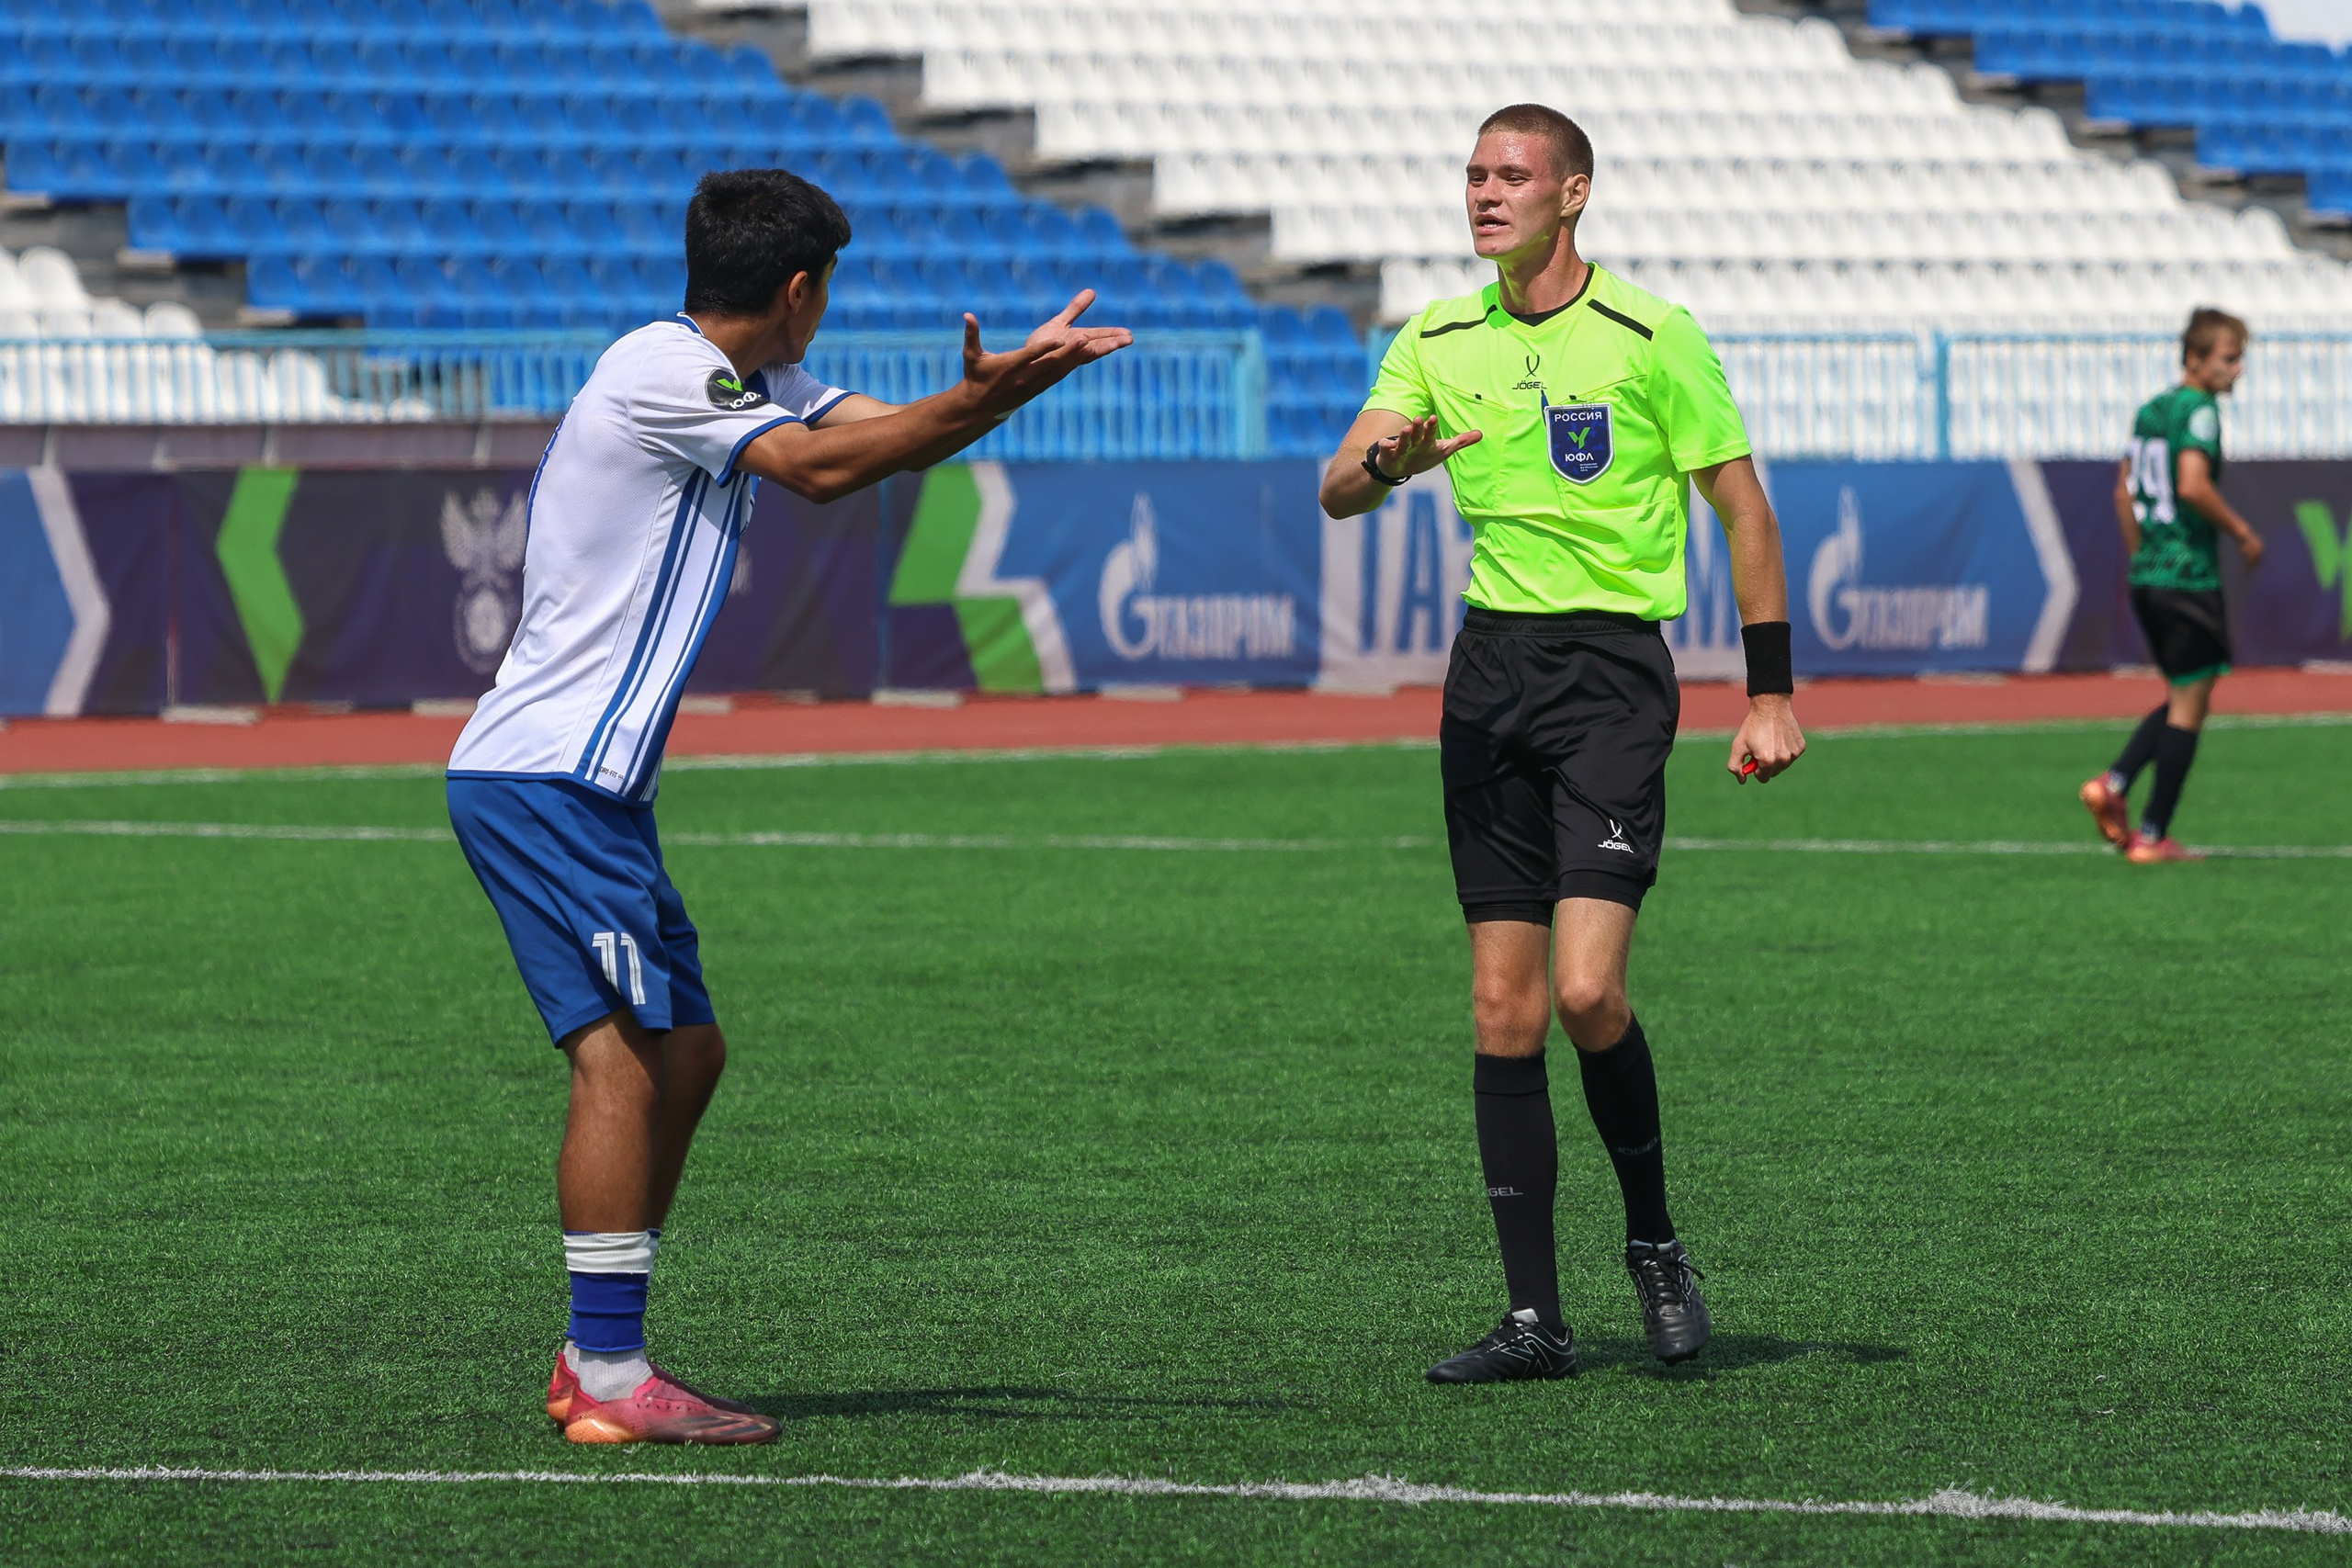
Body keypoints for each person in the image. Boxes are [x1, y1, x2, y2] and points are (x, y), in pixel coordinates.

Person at [445, 169, 1129, 1443]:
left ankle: (598, 1347)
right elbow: (820, 470)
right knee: (620, 1059)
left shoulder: (747, 377)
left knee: (688, 1052)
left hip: (593, 786)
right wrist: (983, 395)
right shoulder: (660, 369)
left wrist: (1002, 390)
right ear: (801, 288)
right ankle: (606, 1373)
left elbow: (877, 436)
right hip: (546, 776)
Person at [1318, 104, 1804, 1383]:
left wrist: (1769, 694)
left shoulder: (1653, 333)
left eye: (1512, 175)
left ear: (1572, 193)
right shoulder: (1435, 336)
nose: (1485, 194)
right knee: (1502, 1007)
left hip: (1610, 679)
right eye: (1473, 174)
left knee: (1587, 993)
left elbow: (1745, 511)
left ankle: (1654, 1241)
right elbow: (1338, 486)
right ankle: (1534, 1319)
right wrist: (1392, 462)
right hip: (1489, 677)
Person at [2079, 308, 2263, 863]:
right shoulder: (2200, 411)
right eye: (2229, 358)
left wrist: (2143, 557)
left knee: (2186, 692)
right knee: (2191, 702)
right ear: (2196, 359)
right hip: (2189, 574)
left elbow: (2122, 493)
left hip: (2150, 574)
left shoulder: (2150, 410)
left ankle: (2115, 786)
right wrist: (2242, 531)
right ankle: (2151, 833)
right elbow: (2192, 485)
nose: (2238, 369)